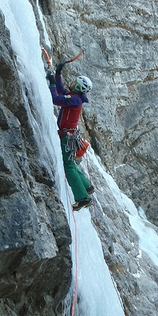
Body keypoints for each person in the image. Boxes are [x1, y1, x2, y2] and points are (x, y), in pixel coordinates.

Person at [47, 62, 94, 211]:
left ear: (79, 87)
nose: (72, 82)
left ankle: (82, 198)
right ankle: (87, 187)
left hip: (67, 137)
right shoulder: (74, 97)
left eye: (75, 82)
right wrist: (57, 75)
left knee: (68, 166)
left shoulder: (74, 100)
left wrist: (52, 85)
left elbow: (56, 98)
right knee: (71, 163)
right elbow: (62, 91)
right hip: (70, 136)